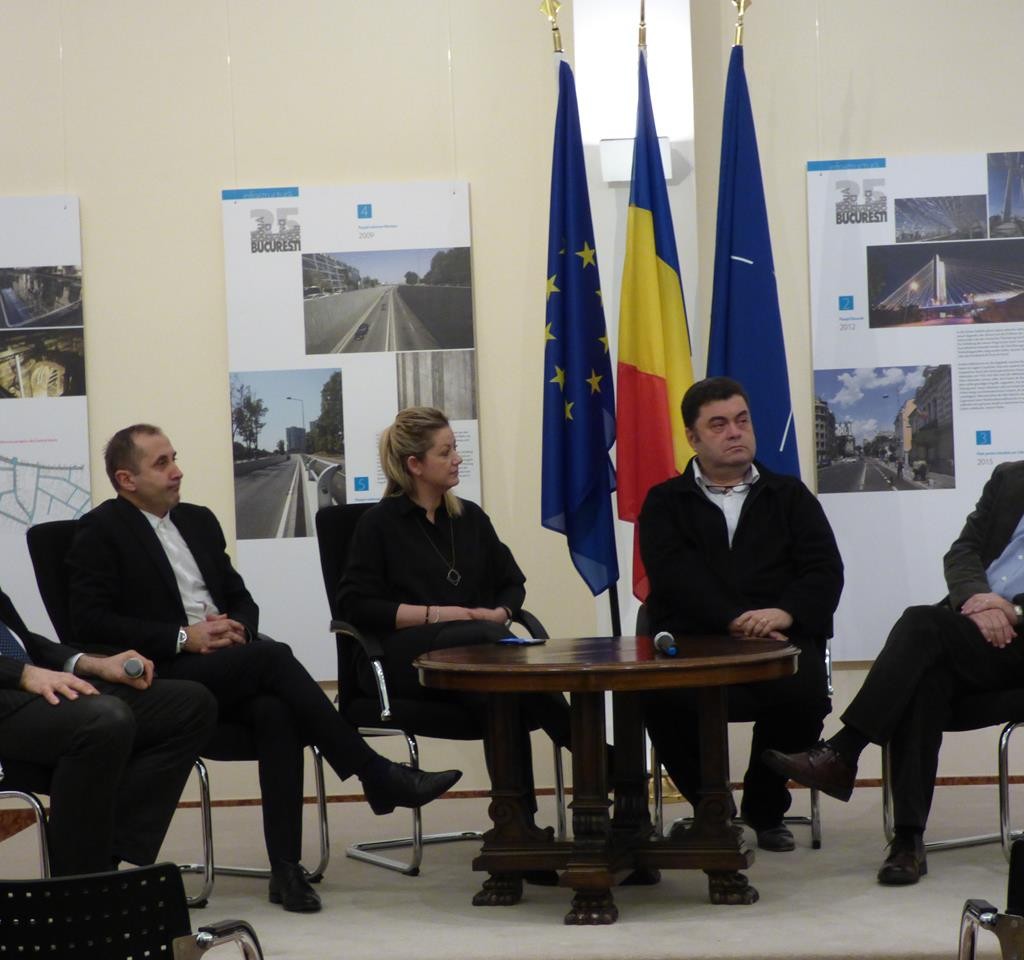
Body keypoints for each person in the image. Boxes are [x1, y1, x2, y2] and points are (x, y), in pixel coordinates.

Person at [66, 424, 462, 912]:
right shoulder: (101, 530)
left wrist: (238, 629)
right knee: (274, 658)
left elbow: (240, 597)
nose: (177, 471)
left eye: (175, 458)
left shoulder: (198, 521)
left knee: (277, 710)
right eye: (162, 463)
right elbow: (89, 622)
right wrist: (184, 637)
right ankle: (373, 772)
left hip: (224, 662)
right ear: (126, 479)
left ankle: (286, 870)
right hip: (161, 673)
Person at [765, 460, 1024, 885]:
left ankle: (843, 752)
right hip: (977, 628)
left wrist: (1011, 611)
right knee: (923, 679)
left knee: (921, 624)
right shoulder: (1011, 478)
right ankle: (908, 840)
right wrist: (977, 599)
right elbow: (963, 551)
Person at [334, 407, 571, 840]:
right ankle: (582, 743)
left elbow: (512, 583)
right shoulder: (378, 525)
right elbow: (356, 606)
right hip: (398, 659)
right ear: (415, 464)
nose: (457, 459)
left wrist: (500, 614)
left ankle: (518, 831)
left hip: (476, 658)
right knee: (484, 639)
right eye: (445, 452)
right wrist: (448, 614)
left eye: (455, 449)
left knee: (501, 694)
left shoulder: (470, 518)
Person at [640, 377, 844, 852]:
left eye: (741, 420)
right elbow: (672, 576)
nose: (735, 432)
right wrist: (733, 618)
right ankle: (713, 809)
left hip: (776, 642)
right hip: (697, 644)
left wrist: (784, 613)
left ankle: (764, 807)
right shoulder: (665, 501)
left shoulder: (789, 496)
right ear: (692, 437)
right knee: (659, 699)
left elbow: (824, 571)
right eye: (718, 424)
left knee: (806, 693)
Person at [0, 584, 217, 876]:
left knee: (189, 706)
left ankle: (107, 854)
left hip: (34, 689)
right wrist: (23, 674)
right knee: (104, 720)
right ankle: (77, 881)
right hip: (7, 704)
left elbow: (22, 642)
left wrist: (91, 664)